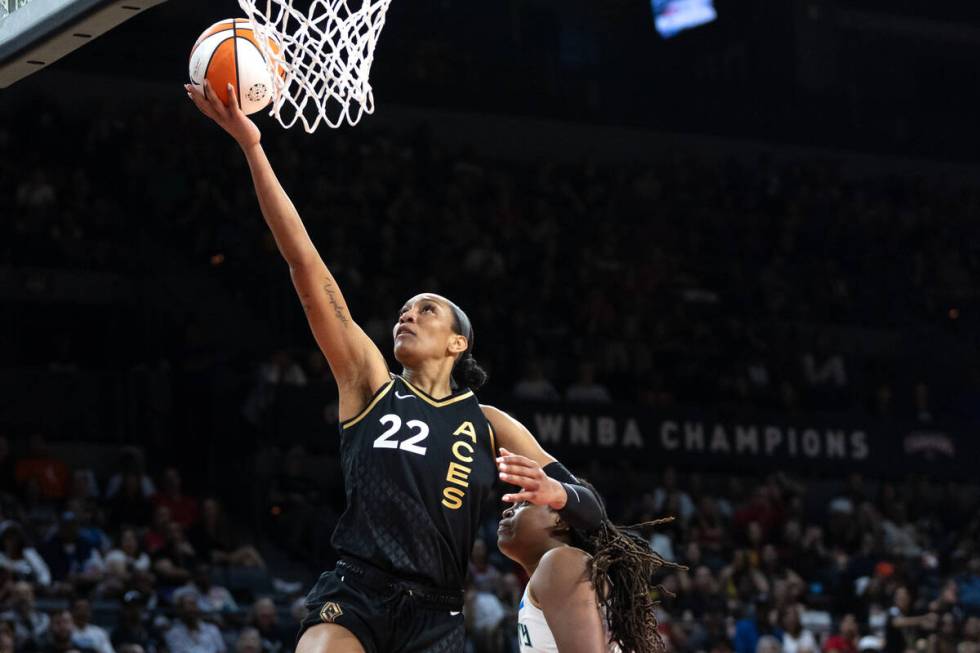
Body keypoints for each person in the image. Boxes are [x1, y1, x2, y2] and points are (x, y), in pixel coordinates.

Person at [184, 81, 604, 653]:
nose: (407, 316)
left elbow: (595, 509)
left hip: (438, 615)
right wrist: (253, 148)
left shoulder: (490, 425)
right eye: (403, 311)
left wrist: (560, 497)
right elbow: (305, 267)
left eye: (425, 311)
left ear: (458, 343)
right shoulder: (368, 383)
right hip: (356, 592)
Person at [496, 485, 680, 653]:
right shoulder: (554, 572)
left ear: (560, 519)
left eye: (524, 503)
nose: (507, 512)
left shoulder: (562, 562)